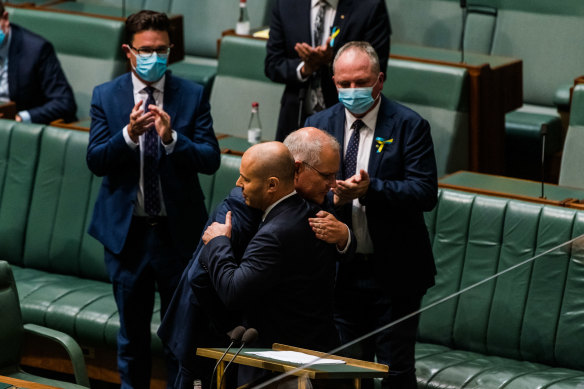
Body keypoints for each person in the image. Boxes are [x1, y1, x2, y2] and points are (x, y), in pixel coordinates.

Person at [86, 10, 220, 389]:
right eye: (146, 49)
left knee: (182, 339)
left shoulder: (192, 94)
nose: (153, 56)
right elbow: (96, 161)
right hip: (128, 238)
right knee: (132, 338)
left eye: (161, 49)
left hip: (177, 238)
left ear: (171, 50)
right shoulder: (106, 96)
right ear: (129, 51)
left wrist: (171, 140)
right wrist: (128, 134)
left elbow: (210, 159)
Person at [158, 127, 352, 388]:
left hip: (270, 338)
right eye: (326, 175)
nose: (332, 185)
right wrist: (234, 326)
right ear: (296, 169)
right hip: (211, 329)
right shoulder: (241, 206)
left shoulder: (312, 200)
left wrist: (344, 237)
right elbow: (200, 277)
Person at [305, 41, 438, 389]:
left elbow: (425, 193)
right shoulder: (317, 125)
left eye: (361, 82)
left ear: (380, 80)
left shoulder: (409, 125)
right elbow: (302, 193)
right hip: (340, 274)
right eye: (344, 84)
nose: (352, 91)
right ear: (333, 82)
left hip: (395, 275)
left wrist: (371, 189)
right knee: (345, 372)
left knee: (395, 374)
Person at [200, 141, 341, 385]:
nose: (238, 184)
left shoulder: (274, 233)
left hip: (282, 365)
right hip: (310, 351)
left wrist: (218, 243)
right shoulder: (308, 212)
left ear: (272, 185)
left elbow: (234, 291)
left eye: (246, 179)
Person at [265, 0, 391, 142]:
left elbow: (378, 66)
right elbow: (272, 65)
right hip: (296, 116)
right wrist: (305, 68)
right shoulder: (285, 3)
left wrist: (332, 61)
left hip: (348, 118)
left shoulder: (370, 6)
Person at [0, 1, 76, 123]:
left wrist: (20, 118)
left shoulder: (37, 50)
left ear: (5, 18)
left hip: (18, 130)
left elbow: (64, 103)